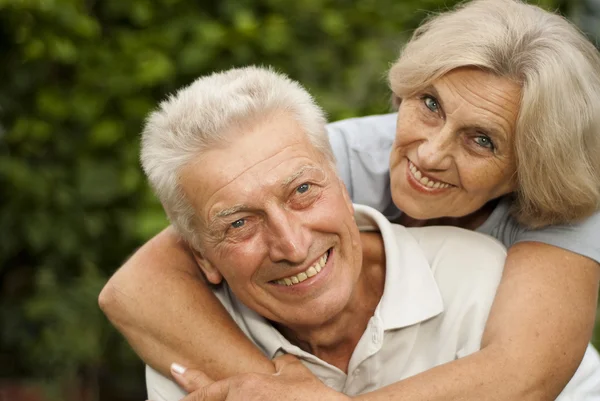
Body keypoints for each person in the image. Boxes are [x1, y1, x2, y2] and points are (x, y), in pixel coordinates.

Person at [99, 0, 600, 400]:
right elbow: (137, 287)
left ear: (529, 166)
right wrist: (277, 389)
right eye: (429, 104)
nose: (428, 153)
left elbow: (523, 375)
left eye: (481, 140)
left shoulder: (557, 207)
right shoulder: (334, 157)